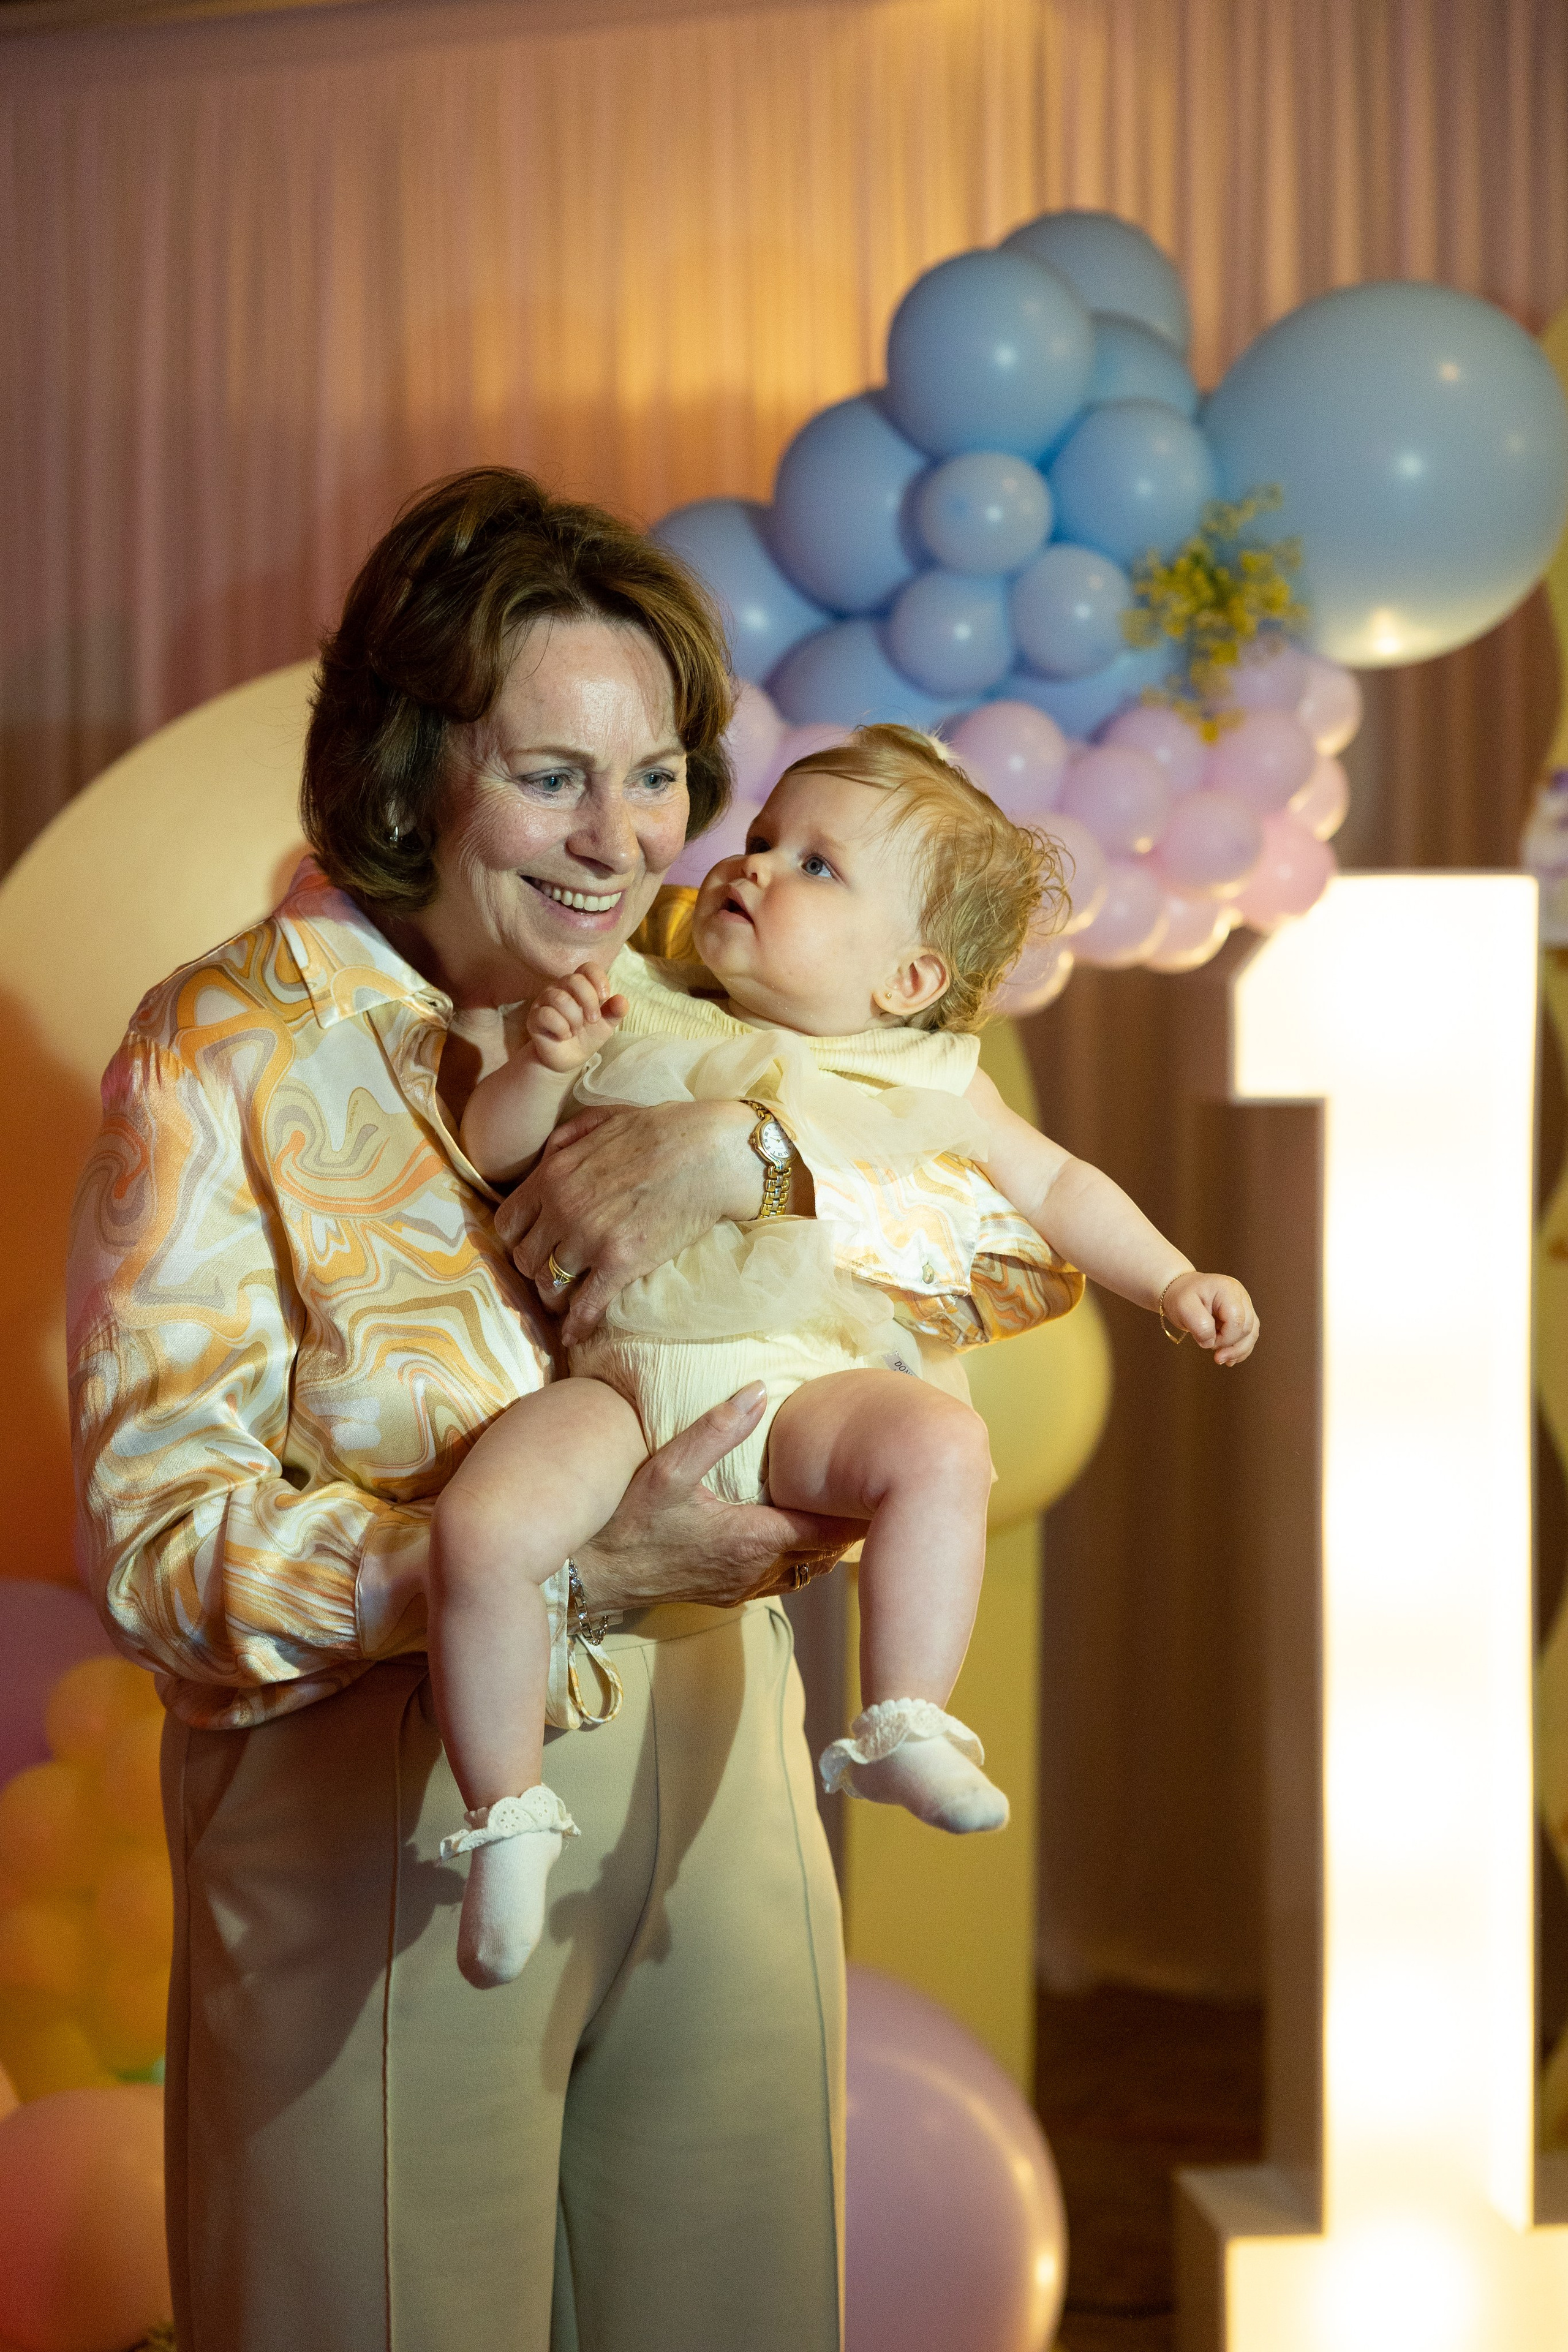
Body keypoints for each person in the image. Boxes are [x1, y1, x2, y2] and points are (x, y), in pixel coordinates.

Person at [65, 466, 998, 2352]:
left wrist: (752, 1159)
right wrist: (546, 1571)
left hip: (726, 1781)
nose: (620, 840)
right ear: (413, 771)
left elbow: (1006, 1246)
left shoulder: (707, 997)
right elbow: (160, 1552)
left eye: (653, 775)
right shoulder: (220, 1049)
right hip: (383, 1831)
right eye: (551, 775)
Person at [428, 725, 1261, 1986]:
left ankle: (905, 1715)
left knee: (943, 1444)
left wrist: (1173, 1277)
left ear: (908, 979)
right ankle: (505, 1819)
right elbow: (493, 1158)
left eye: (817, 866)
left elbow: (1055, 1188)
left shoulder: (930, 1074)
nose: (755, 865)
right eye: (764, 837)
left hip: (801, 1387)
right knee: (484, 1530)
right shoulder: (628, 996)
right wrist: (542, 1068)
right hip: (619, 1382)